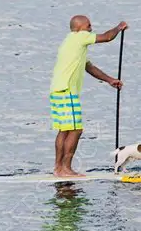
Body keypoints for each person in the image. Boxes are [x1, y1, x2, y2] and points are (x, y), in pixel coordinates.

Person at [49, 15, 127, 177]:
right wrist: (118, 27)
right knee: (76, 130)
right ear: (78, 29)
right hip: (67, 90)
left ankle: (58, 169)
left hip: (58, 90)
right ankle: (66, 169)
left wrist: (110, 80)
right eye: (88, 26)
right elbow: (106, 37)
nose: (91, 28)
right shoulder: (79, 37)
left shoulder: (71, 43)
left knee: (64, 130)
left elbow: (89, 67)